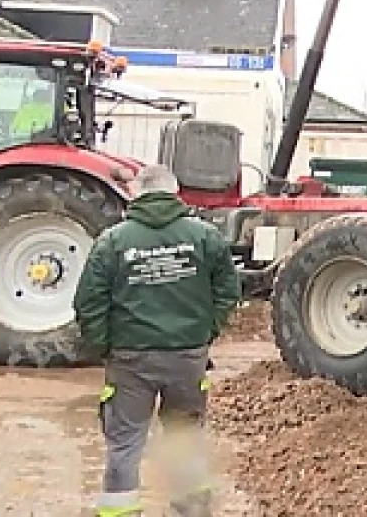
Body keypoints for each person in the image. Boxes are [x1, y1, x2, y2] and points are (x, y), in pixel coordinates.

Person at [73, 164, 241, 517]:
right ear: (174, 191)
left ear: (138, 192)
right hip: (187, 356)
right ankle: (193, 505)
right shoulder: (205, 236)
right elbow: (228, 291)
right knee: (184, 431)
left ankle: (121, 510)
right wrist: (204, 332)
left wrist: (106, 346)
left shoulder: (114, 240)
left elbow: (89, 302)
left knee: (125, 440)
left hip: (131, 358)